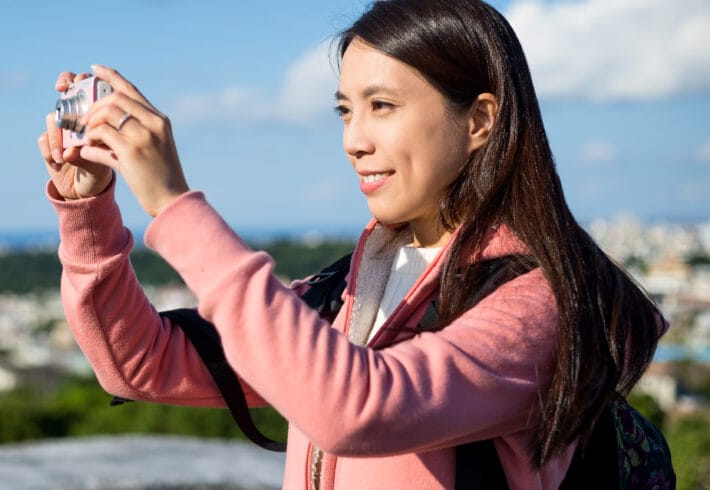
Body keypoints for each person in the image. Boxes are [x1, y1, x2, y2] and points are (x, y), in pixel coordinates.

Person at [36, 0, 666, 488]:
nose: (354, 140)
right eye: (345, 110)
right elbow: (141, 362)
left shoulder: (534, 305)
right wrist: (88, 211)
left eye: (382, 106)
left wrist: (175, 207)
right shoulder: (353, 289)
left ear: (479, 120)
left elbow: (355, 407)